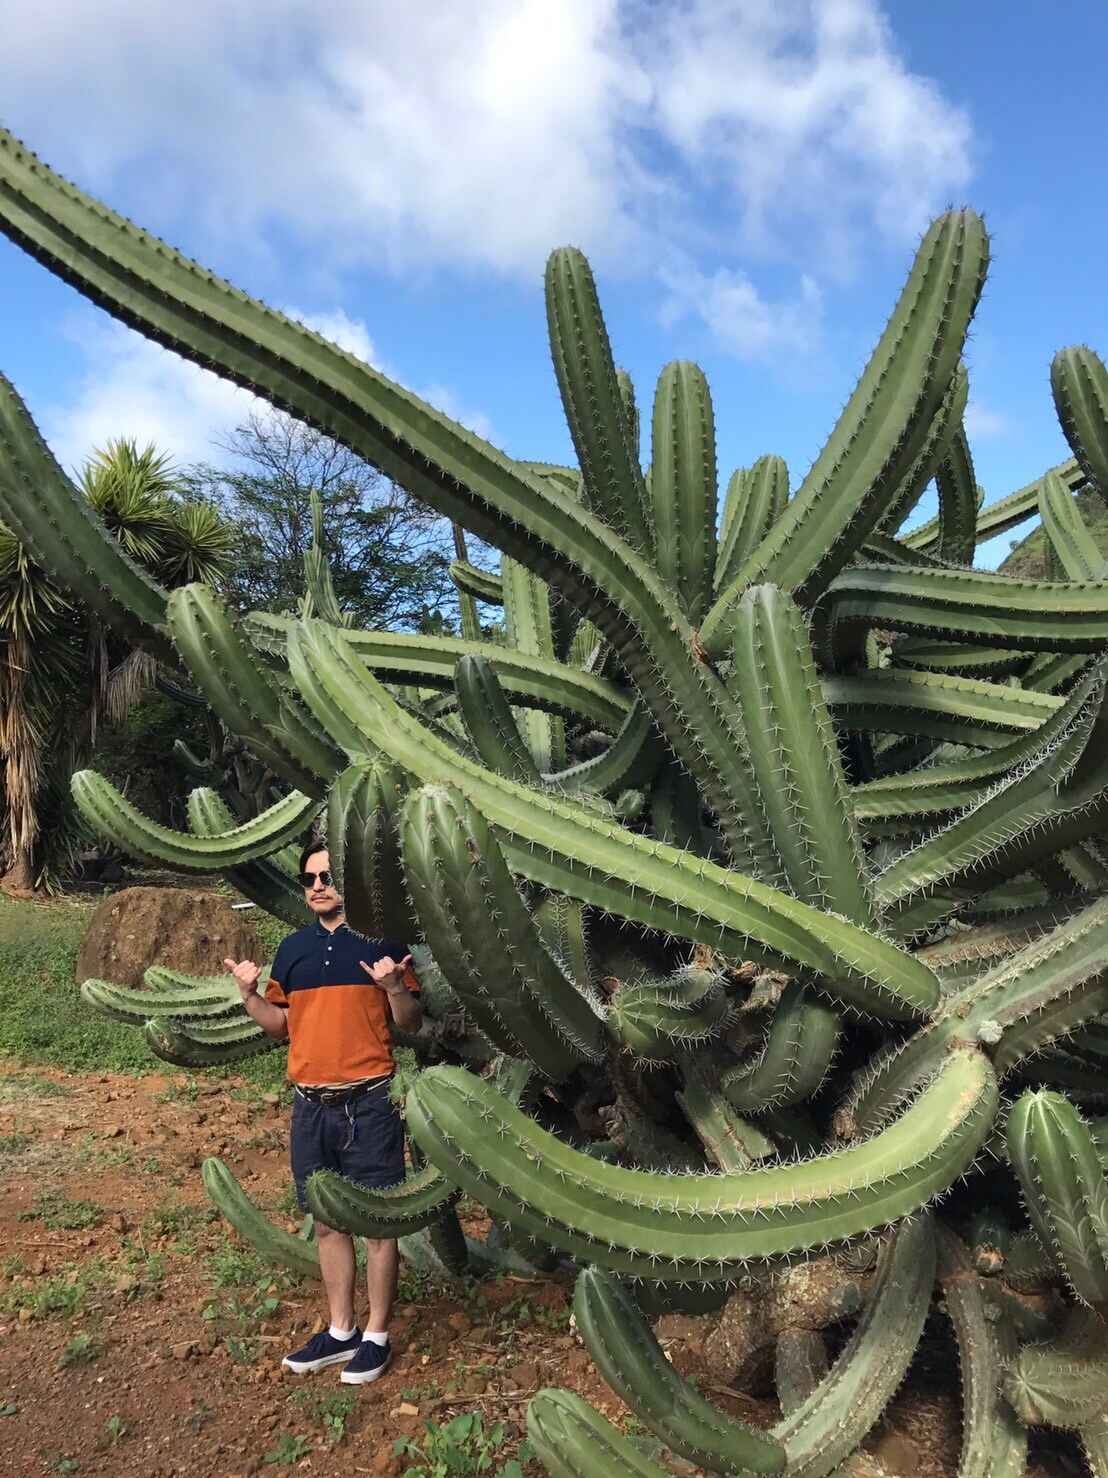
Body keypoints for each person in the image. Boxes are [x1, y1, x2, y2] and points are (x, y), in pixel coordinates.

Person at [224, 837, 422, 1384]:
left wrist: (392, 987)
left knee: (380, 1223)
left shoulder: (383, 943)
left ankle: (377, 1335)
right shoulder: (291, 950)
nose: (316, 886)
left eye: (326, 877)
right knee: (329, 1223)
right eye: (308, 878)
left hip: (371, 1103)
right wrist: (248, 996)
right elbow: (280, 1027)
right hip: (310, 1106)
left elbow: (410, 1023)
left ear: (347, 883)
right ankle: (341, 1332)